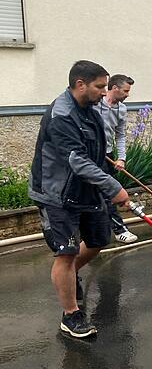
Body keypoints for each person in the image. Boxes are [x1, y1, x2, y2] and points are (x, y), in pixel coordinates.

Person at [29, 60, 131, 339]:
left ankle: (68, 276)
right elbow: (77, 161)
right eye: (100, 87)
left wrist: (106, 179)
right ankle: (71, 315)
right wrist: (114, 188)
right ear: (80, 84)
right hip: (57, 193)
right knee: (66, 251)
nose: (104, 92)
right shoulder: (61, 115)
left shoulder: (89, 109)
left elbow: (94, 153)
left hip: (85, 189)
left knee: (99, 239)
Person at [94, 74, 138, 244]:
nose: (128, 94)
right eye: (126, 90)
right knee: (104, 194)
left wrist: (122, 158)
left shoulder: (122, 109)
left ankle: (116, 229)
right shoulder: (96, 104)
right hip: (92, 156)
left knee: (108, 193)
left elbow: (120, 135)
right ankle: (119, 230)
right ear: (114, 88)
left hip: (108, 156)